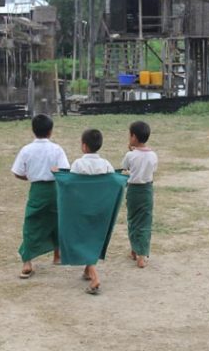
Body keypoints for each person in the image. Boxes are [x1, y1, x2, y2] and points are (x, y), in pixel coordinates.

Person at [11, 114, 70, 279]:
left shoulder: (26, 150)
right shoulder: (57, 149)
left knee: (32, 223)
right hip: (55, 189)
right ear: (51, 131)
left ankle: (27, 261)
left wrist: (30, 177)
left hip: (37, 190)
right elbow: (65, 171)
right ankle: (57, 255)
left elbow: (17, 172)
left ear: (33, 130)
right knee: (56, 221)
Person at [70, 129, 114, 294]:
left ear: (84, 146)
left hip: (83, 208)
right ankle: (88, 270)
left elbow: (70, 184)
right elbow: (112, 182)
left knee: (84, 238)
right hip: (102, 208)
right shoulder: (106, 164)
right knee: (93, 238)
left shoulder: (78, 164)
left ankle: (95, 277)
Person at [122, 121, 158, 269]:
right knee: (145, 222)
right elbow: (153, 169)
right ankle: (142, 255)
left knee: (133, 220)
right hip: (147, 190)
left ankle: (134, 250)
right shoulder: (153, 155)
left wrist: (131, 150)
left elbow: (125, 167)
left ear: (134, 137)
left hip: (133, 191)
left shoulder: (130, 155)